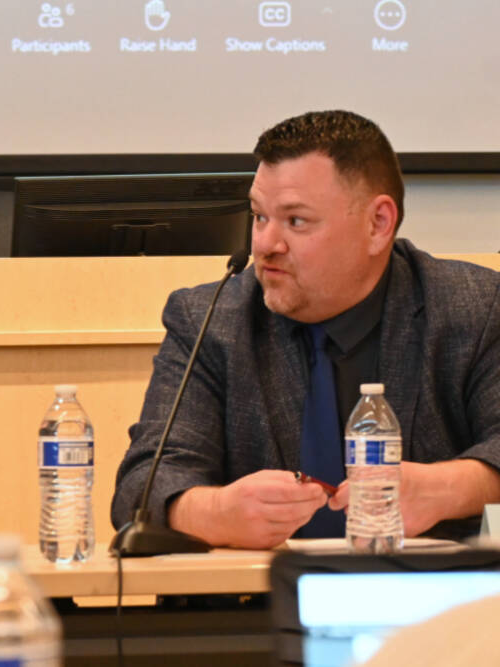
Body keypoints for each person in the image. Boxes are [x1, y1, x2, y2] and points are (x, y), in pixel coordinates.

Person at [111, 110, 500, 549]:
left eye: (295, 221)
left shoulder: (473, 308)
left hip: (442, 606)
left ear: (378, 224)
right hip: (258, 607)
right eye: (260, 217)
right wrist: (217, 512)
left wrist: (449, 487)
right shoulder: (211, 319)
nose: (265, 245)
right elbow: (142, 484)